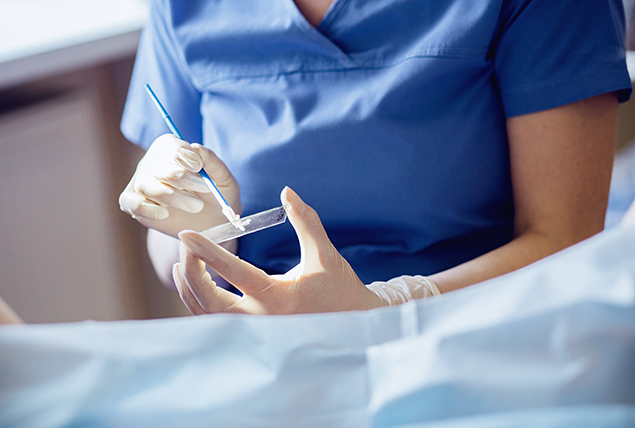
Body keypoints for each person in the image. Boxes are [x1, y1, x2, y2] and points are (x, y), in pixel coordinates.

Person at [119, 0, 632, 314]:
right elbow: (170, 256)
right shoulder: (184, 6)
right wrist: (199, 236)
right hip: (269, 356)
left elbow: (564, 237)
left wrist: (393, 303)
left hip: (478, 331)